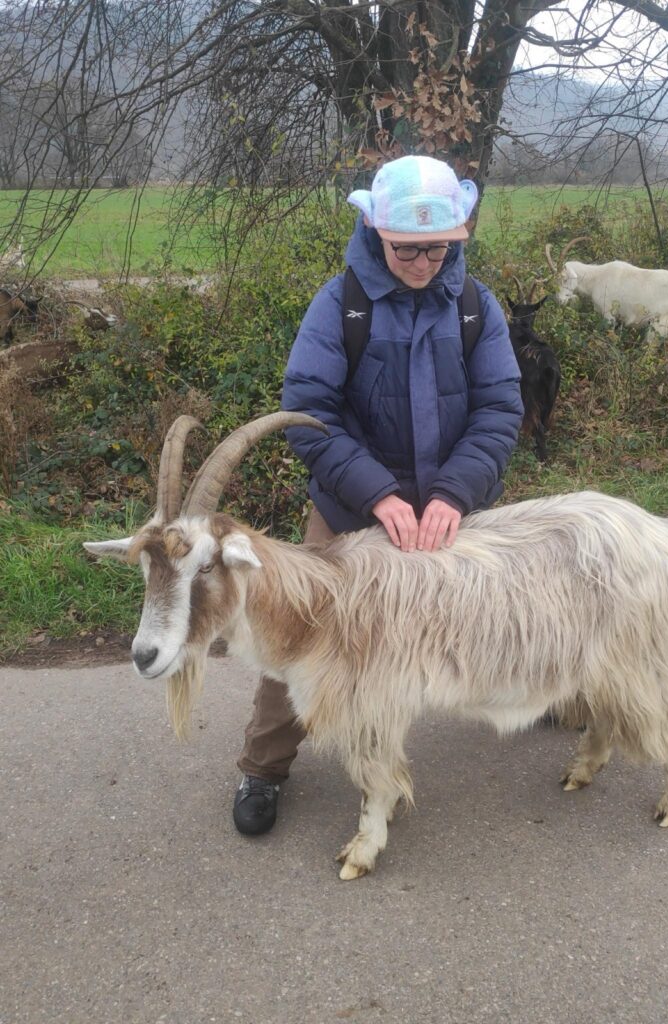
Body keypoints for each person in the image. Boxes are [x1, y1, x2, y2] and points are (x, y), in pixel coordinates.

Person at [233, 154, 524, 835]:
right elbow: (308, 412)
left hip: (451, 515)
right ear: (374, 230)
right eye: (406, 248)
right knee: (301, 634)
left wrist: (453, 493)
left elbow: (500, 408)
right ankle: (263, 765)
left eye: (437, 248)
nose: (423, 263)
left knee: (496, 615)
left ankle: (539, 697)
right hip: (349, 509)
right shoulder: (340, 305)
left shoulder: (476, 306)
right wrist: (380, 496)